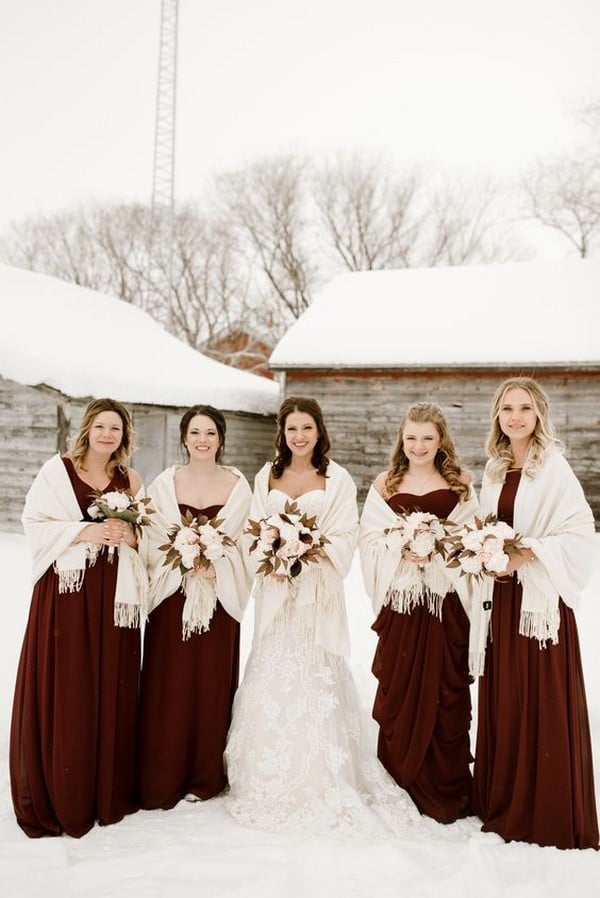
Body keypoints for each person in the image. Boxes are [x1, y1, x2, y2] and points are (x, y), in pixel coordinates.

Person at [224, 397, 421, 836]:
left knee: (315, 671)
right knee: (274, 671)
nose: (299, 437)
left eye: (307, 429)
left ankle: (322, 772)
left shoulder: (337, 479)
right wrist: (274, 551)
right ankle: (267, 770)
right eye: (292, 429)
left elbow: (347, 534)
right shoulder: (266, 476)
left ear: (319, 432)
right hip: (276, 591)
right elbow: (253, 529)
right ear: (282, 432)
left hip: (317, 592)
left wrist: (309, 550)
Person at [471, 377, 599, 850]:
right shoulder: (493, 469)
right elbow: (488, 526)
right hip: (503, 602)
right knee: (508, 696)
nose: (516, 417)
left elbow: (581, 533)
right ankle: (505, 802)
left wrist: (528, 555)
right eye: (507, 408)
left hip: (539, 606)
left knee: (539, 698)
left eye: (525, 408)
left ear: (539, 415)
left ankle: (544, 810)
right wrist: (483, 550)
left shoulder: (554, 469)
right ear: (497, 416)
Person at [10, 398, 147, 838]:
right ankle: (64, 791)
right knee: (71, 685)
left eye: (117, 428)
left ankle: (102, 790)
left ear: (125, 436)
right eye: (101, 426)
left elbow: (146, 533)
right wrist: (85, 530)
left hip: (114, 599)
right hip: (68, 597)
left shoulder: (130, 479)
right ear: (87, 429)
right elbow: (34, 522)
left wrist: (130, 532)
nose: (109, 435)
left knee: (110, 685)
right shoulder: (58, 471)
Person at [358, 402, 480, 823]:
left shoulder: (460, 484)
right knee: (401, 686)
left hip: (444, 603)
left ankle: (444, 787)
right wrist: (400, 546)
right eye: (411, 438)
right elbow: (369, 540)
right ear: (401, 440)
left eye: (428, 438)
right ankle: (399, 781)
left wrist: (437, 545)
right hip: (403, 603)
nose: (419, 446)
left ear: (441, 440)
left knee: (445, 690)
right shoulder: (386, 483)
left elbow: (472, 537)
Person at [138, 406, 252, 809]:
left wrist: (215, 560)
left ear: (221, 439)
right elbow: (150, 540)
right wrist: (182, 558)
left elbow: (245, 543)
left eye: (210, 432)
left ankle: (205, 774)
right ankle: (162, 771)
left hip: (218, 600)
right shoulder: (164, 485)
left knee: (209, 683)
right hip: (172, 599)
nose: (203, 439)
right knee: (169, 683)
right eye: (195, 432)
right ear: (184, 438)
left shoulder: (239, 487)